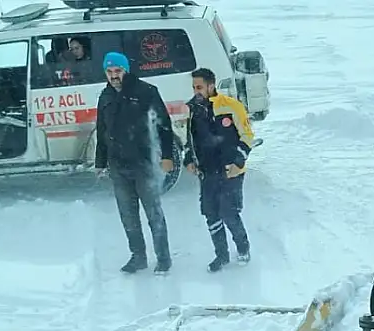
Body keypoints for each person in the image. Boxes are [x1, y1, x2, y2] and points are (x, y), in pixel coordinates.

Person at [94, 51, 176, 274]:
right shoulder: (105, 96)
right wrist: (100, 163)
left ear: (126, 70)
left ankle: (163, 258)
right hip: (118, 167)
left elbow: (164, 126)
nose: (114, 76)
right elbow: (102, 131)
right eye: (109, 72)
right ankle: (138, 256)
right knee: (128, 216)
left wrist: (167, 157)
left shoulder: (146, 92)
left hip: (144, 164)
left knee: (153, 213)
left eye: (118, 71)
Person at [182, 67, 255, 273]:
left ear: (211, 86)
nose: (196, 91)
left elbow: (247, 135)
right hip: (207, 172)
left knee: (229, 212)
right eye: (194, 87)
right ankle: (221, 255)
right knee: (211, 214)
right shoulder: (192, 109)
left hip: (230, 170)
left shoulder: (231, 106)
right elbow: (189, 139)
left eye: (199, 87)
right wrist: (189, 159)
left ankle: (243, 247)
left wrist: (238, 162)